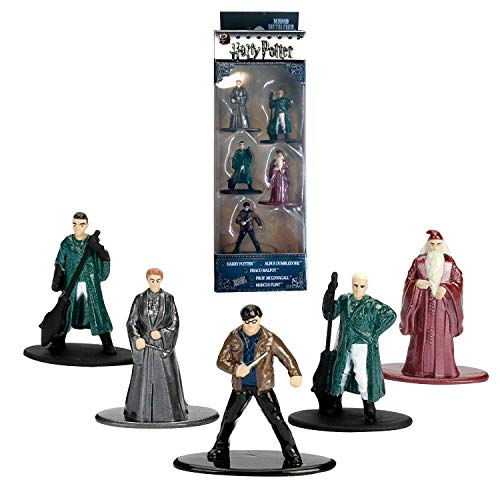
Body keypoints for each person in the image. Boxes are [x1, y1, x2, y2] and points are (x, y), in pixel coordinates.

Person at [207, 304, 303, 467]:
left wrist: (294, 373)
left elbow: (286, 356)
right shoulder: (234, 336)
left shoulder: (269, 338)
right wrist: (236, 369)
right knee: (229, 418)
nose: (251, 324)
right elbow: (221, 361)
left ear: (259, 319)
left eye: (254, 321)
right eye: (247, 321)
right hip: (241, 386)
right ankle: (220, 448)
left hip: (262, 387)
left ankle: (291, 452)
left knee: (276, 420)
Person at [322, 273, 396, 422]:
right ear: (352, 284)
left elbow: (391, 315)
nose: (358, 289)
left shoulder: (372, 304)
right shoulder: (344, 300)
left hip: (362, 344)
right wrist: (330, 292)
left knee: (362, 375)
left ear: (366, 287)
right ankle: (336, 401)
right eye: (355, 285)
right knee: (341, 371)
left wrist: (374, 334)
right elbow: (329, 313)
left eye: (361, 286)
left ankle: (368, 406)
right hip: (345, 343)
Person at [124, 268, 188, 422]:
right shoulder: (139, 299)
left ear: (161, 281)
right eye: (152, 280)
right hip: (145, 346)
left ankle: (170, 413)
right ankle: (139, 412)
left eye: (157, 280)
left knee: (167, 379)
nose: (154, 283)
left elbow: (175, 322)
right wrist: (137, 338)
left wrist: (162, 333)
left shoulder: (169, 299)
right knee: (142, 380)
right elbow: (131, 322)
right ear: (147, 280)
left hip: (161, 348)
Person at [400, 230, 463, 378]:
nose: (435, 248)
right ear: (427, 245)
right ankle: (417, 369)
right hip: (422, 307)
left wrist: (446, 288)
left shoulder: (450, 263)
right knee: (420, 337)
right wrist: (417, 284)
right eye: (432, 244)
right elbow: (409, 280)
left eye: (438, 244)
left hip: (443, 309)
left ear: (443, 246)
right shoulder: (419, 262)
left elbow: (458, 281)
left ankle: (445, 370)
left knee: (443, 339)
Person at [49, 212, 115, 354]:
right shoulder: (67, 243)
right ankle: (59, 340)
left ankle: (107, 342)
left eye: (81, 224)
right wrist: (57, 278)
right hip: (72, 283)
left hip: (90, 283)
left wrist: (97, 248)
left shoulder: (91, 242)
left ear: (86, 225)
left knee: (97, 309)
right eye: (75, 224)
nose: (77, 227)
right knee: (66, 310)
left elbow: (105, 258)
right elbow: (60, 261)